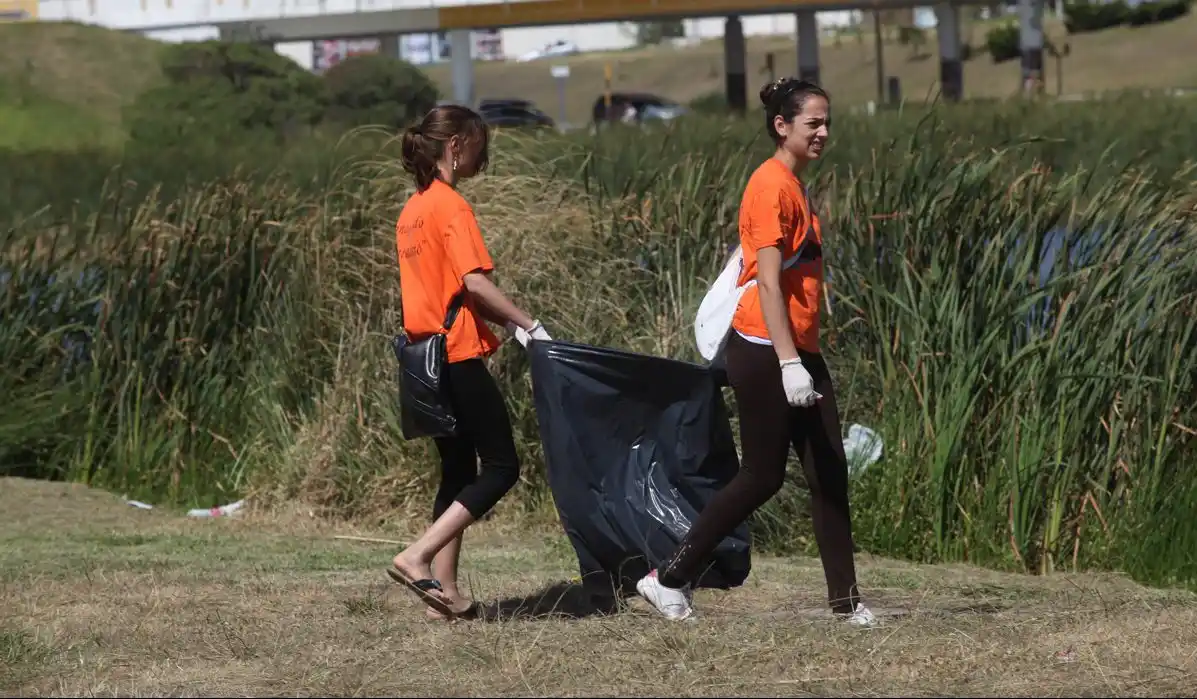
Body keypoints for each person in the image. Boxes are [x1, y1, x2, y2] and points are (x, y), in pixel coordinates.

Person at [634, 78, 876, 627]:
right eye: (813, 123)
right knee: (761, 477)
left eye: (826, 122)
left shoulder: (794, 185)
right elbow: (767, 285)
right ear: (781, 126)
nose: (823, 133)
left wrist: (802, 354)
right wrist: (790, 363)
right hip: (767, 350)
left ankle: (846, 604)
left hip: (797, 349)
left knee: (829, 472)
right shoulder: (770, 186)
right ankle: (667, 578)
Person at [388, 105, 551, 620]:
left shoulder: (412, 209)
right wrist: (528, 323)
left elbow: (448, 289)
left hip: (422, 358)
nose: (484, 154)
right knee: (502, 466)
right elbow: (474, 282)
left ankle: (445, 596)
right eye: (479, 143)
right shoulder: (451, 206)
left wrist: (501, 323)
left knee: (457, 471)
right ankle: (417, 555)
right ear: (455, 145)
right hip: (455, 354)